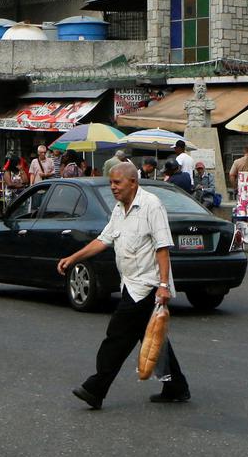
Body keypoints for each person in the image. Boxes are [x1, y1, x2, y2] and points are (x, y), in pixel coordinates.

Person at [61, 163, 189, 409]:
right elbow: (103, 239)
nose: (113, 188)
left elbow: (163, 247)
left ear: (133, 182)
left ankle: (96, 387)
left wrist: (163, 285)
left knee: (117, 336)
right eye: (111, 183)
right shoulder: (119, 209)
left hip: (148, 286)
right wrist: (74, 258)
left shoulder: (151, 205)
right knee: (152, 337)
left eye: (117, 183)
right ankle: (176, 386)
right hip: (130, 284)